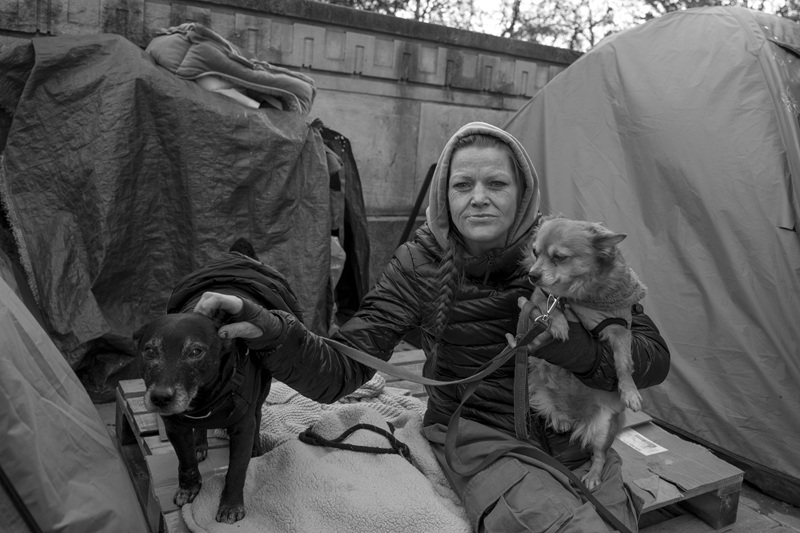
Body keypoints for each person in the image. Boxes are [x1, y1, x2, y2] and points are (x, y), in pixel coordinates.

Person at [194, 122, 670, 532]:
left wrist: (580, 354)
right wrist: (274, 333)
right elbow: (344, 365)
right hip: (480, 437)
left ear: (524, 193)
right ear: (445, 195)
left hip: (576, 433)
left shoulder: (565, 252)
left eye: (496, 184)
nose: (478, 199)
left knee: (613, 520)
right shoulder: (418, 264)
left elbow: (653, 359)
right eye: (463, 185)